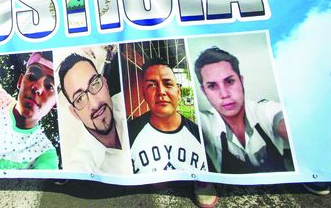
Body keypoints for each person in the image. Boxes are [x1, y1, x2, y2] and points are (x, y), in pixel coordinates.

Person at [126, 58, 214, 207]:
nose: (161, 92)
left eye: (168, 84)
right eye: (152, 85)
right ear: (144, 94)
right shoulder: (129, 133)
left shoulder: (200, 135)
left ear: (178, 91)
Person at [194, 47, 293, 174]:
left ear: (241, 81)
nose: (224, 94)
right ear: (204, 91)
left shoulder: (264, 110)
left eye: (229, 81)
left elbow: (287, 123)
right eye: (212, 86)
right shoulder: (206, 122)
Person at [57, 53, 129, 174]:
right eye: (80, 98)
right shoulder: (82, 167)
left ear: (105, 83)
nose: (95, 104)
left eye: (95, 84)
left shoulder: (126, 101)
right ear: (75, 112)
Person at [0, 52, 59, 170]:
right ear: (20, 81)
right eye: (32, 76)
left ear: (56, 102)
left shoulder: (44, 154)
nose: (37, 88)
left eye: (49, 86)